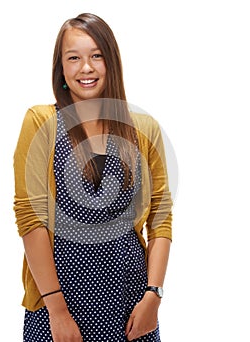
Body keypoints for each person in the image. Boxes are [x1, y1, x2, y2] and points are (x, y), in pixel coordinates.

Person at [13, 12, 173, 342]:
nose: (86, 68)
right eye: (74, 58)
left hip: (131, 308)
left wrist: (153, 296)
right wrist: (57, 311)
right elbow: (31, 218)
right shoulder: (41, 123)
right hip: (58, 305)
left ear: (111, 62)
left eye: (96, 56)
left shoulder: (143, 130)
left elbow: (161, 217)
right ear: (61, 68)